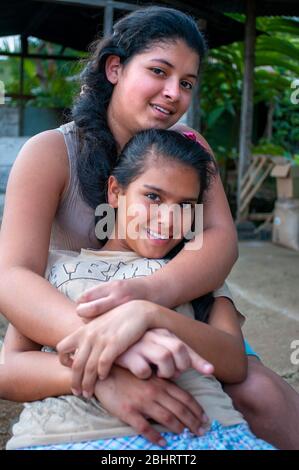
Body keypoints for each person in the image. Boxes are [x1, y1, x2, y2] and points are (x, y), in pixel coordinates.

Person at [0, 6, 298, 449]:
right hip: (71, 319)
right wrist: (106, 351)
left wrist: (147, 296)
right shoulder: (51, 152)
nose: (173, 92)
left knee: (263, 396)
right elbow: (13, 275)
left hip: (176, 318)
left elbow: (219, 242)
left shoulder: (190, 149)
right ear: (115, 68)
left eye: (187, 83)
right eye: (159, 71)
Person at [3, 129, 275, 450]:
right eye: (153, 197)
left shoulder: (190, 273)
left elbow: (233, 360)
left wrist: (150, 314)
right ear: (116, 192)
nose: (168, 218)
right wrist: (101, 373)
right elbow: (9, 370)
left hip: (204, 432)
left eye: (186, 205)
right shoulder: (57, 269)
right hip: (70, 436)